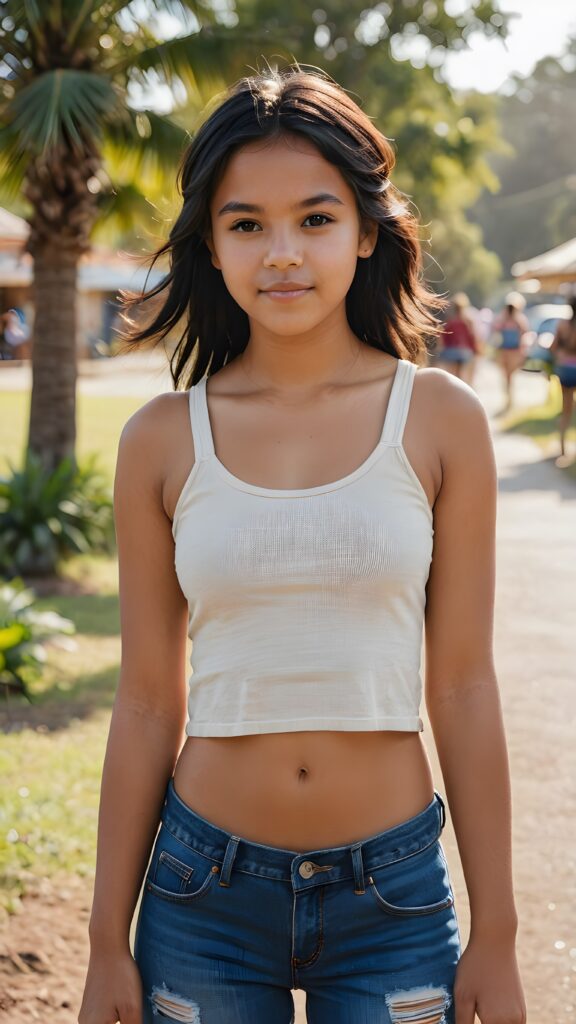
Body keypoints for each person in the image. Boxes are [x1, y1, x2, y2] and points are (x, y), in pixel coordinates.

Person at [79, 65, 526, 1024]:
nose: (282, 253)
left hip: (393, 896)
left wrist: (500, 931)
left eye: (315, 219)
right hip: (202, 894)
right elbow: (149, 701)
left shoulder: (440, 420)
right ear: (212, 240)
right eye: (247, 224)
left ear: (367, 232)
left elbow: (463, 687)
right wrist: (101, 943)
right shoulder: (161, 437)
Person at [549, 296, 576, 466]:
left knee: (566, 409)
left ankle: (562, 449)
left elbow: (552, 347)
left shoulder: (562, 325)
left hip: (564, 369)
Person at [491, 293, 530, 411]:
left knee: (508, 375)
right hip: (511, 350)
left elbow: (496, 331)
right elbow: (524, 333)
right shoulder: (517, 319)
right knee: (508, 375)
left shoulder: (506, 319)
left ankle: (509, 397)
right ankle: (509, 398)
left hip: (508, 350)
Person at [435, 292, 480, 386]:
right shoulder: (468, 320)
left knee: (452, 377)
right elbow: (472, 337)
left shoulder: (449, 320)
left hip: (450, 351)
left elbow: (442, 337)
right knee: (463, 377)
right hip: (465, 352)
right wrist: (476, 350)